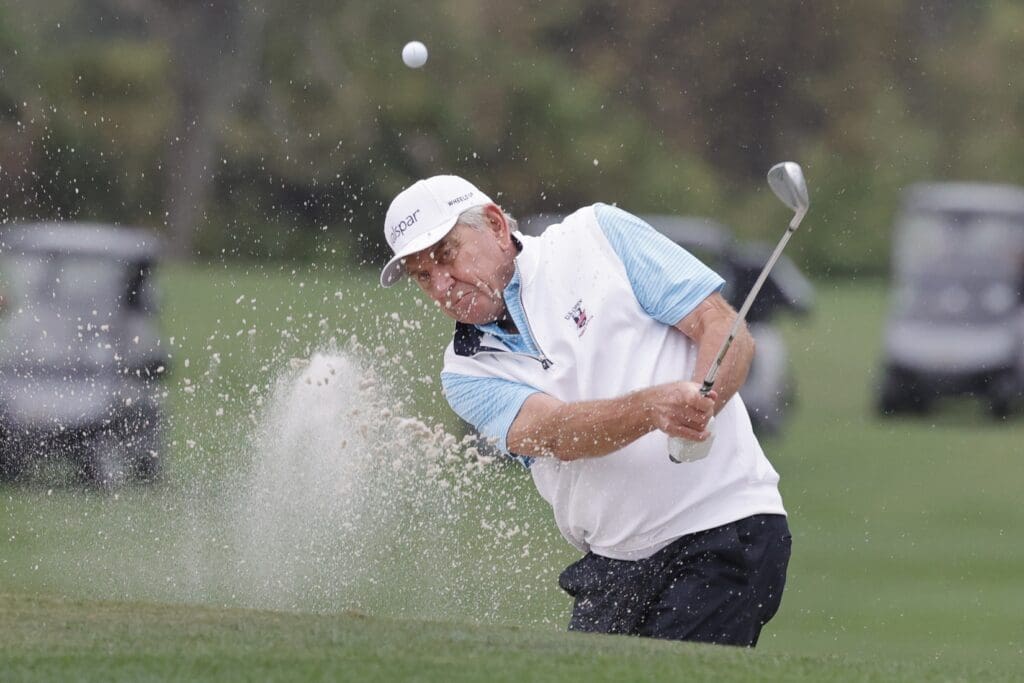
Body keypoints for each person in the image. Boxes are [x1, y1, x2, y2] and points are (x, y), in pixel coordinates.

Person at [379, 174, 791, 646]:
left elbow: (720, 325)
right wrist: (653, 408)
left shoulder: (597, 235)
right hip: (614, 561)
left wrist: (704, 398)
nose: (441, 285)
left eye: (446, 255)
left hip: (724, 528)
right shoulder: (465, 372)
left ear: (495, 225)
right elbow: (555, 434)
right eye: (423, 276)